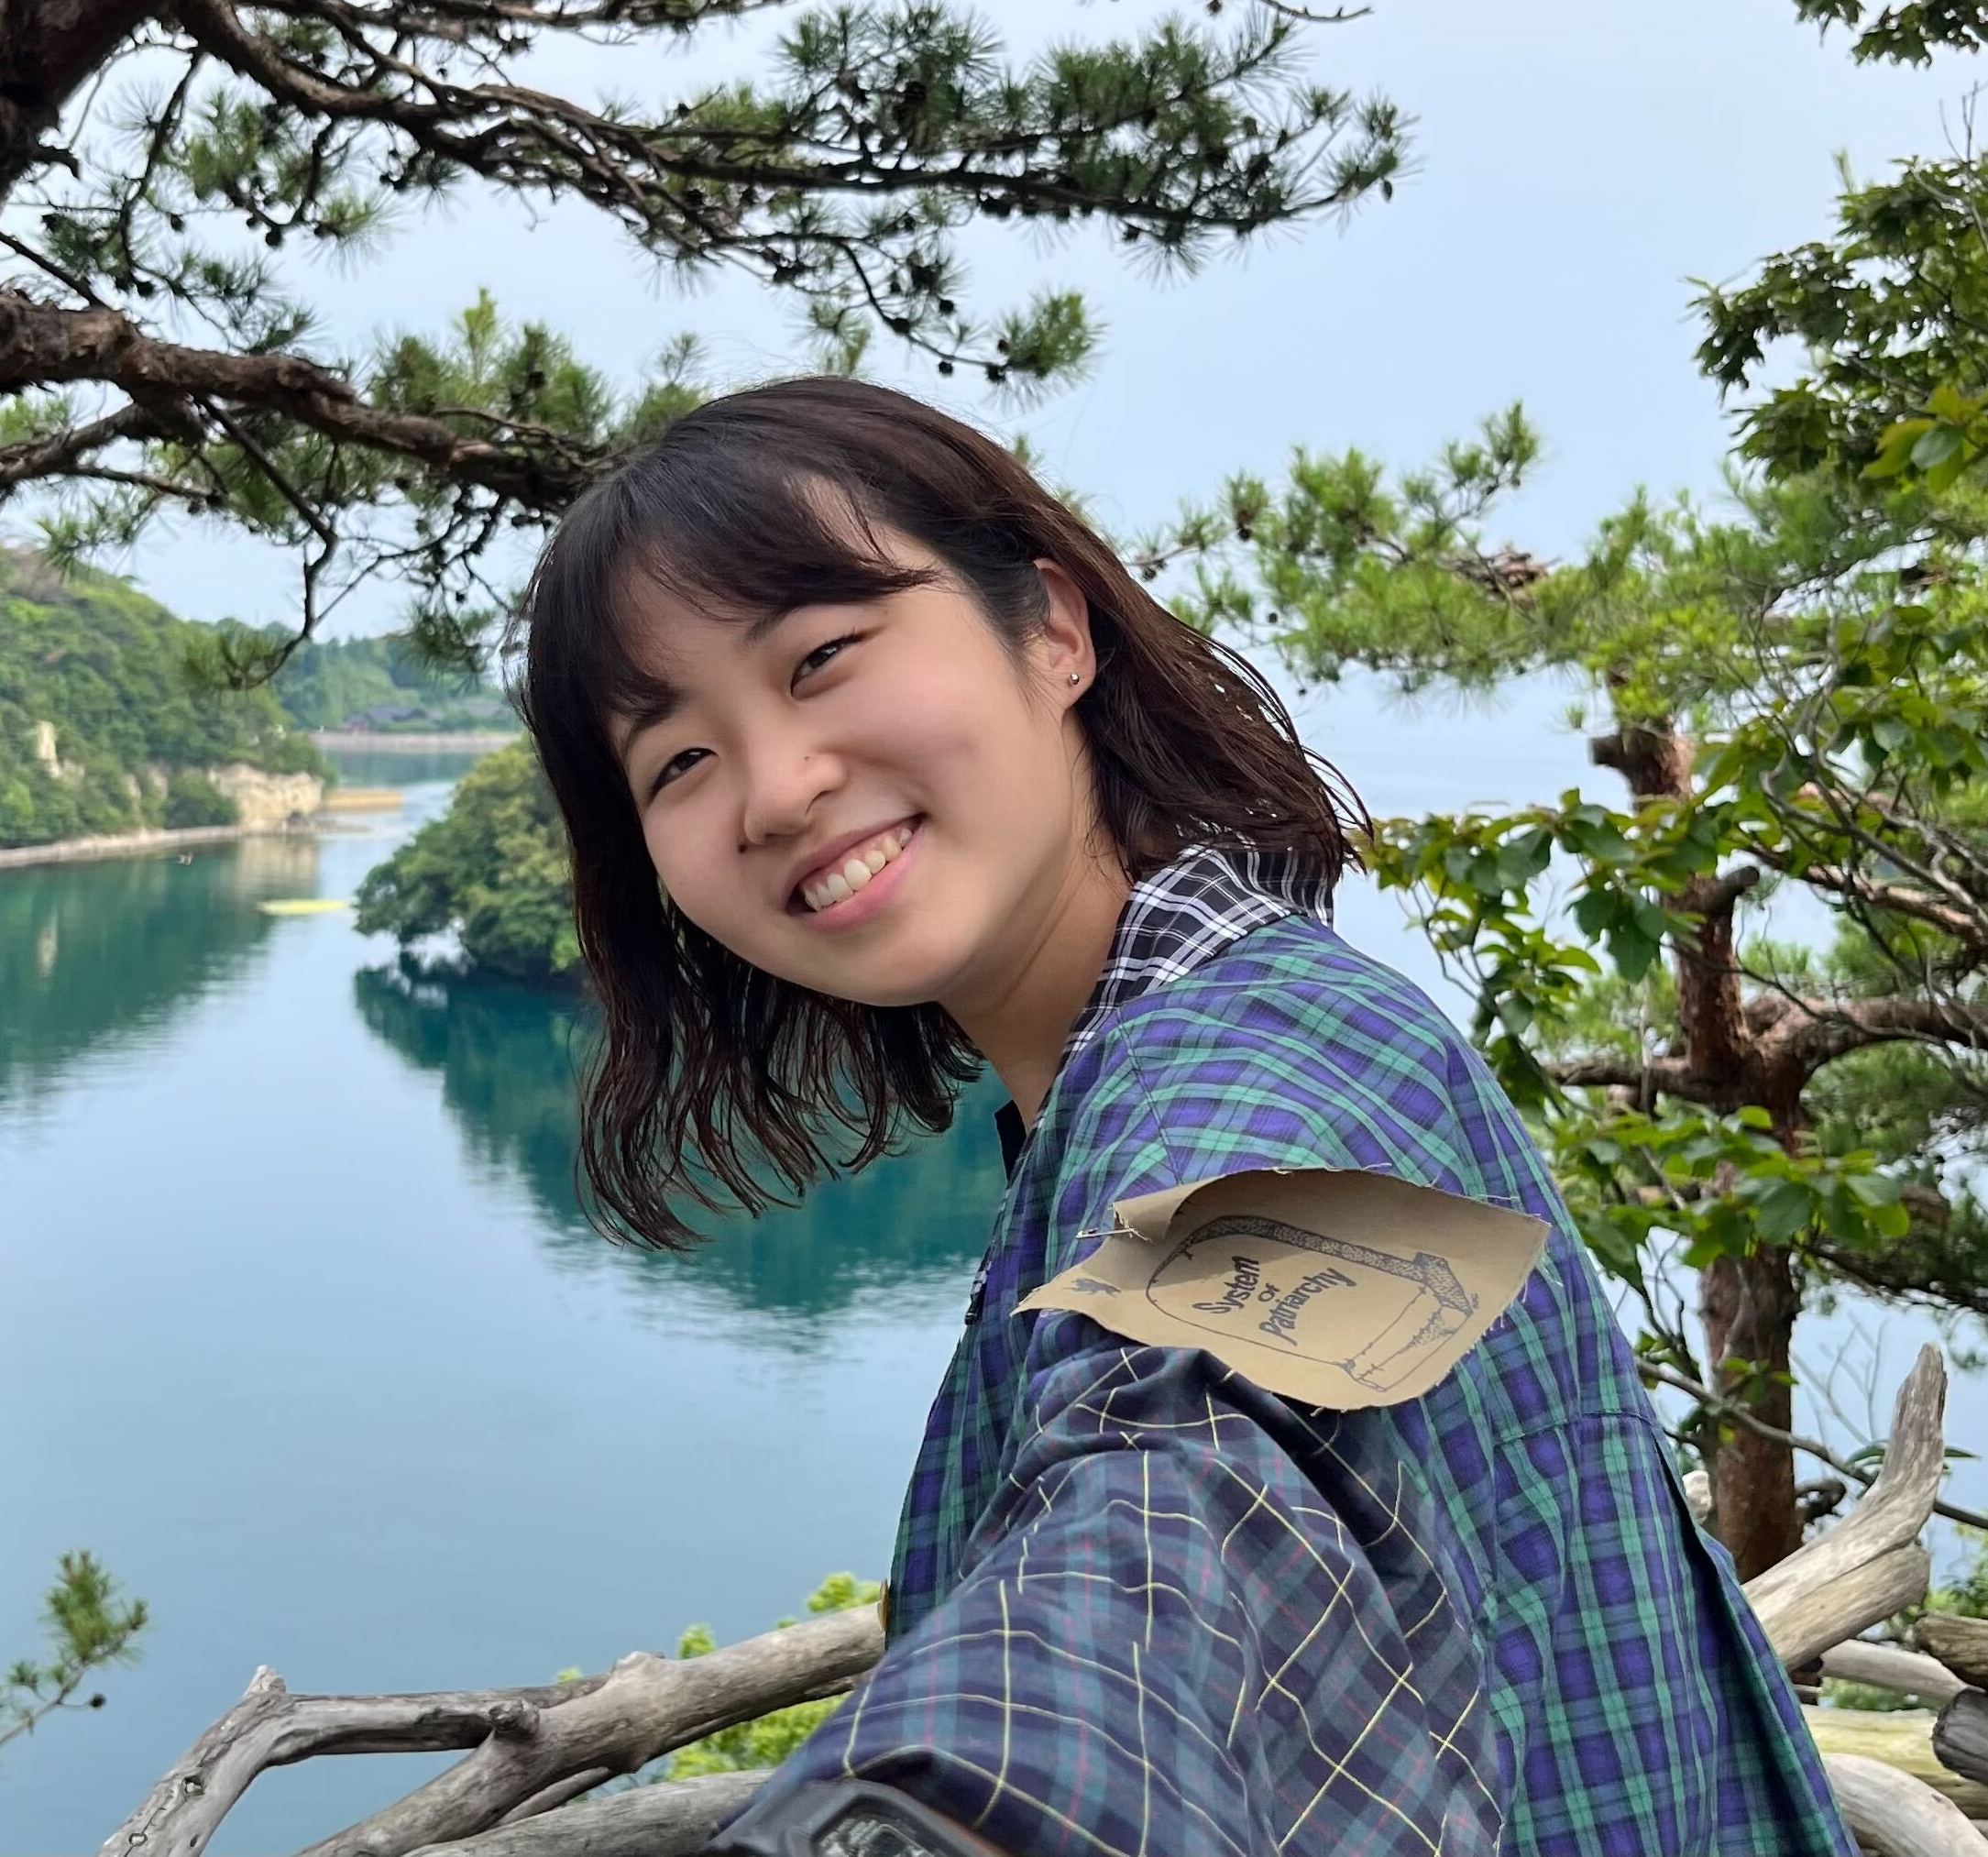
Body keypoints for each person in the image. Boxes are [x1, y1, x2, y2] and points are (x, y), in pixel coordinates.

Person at [518, 376, 1855, 1857]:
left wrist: (949, 1812)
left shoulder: (1262, 1075)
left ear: (1052, 628)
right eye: (679, 760)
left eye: (821, 656)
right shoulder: (1245, 1021)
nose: (773, 789)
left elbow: (1190, 1463)